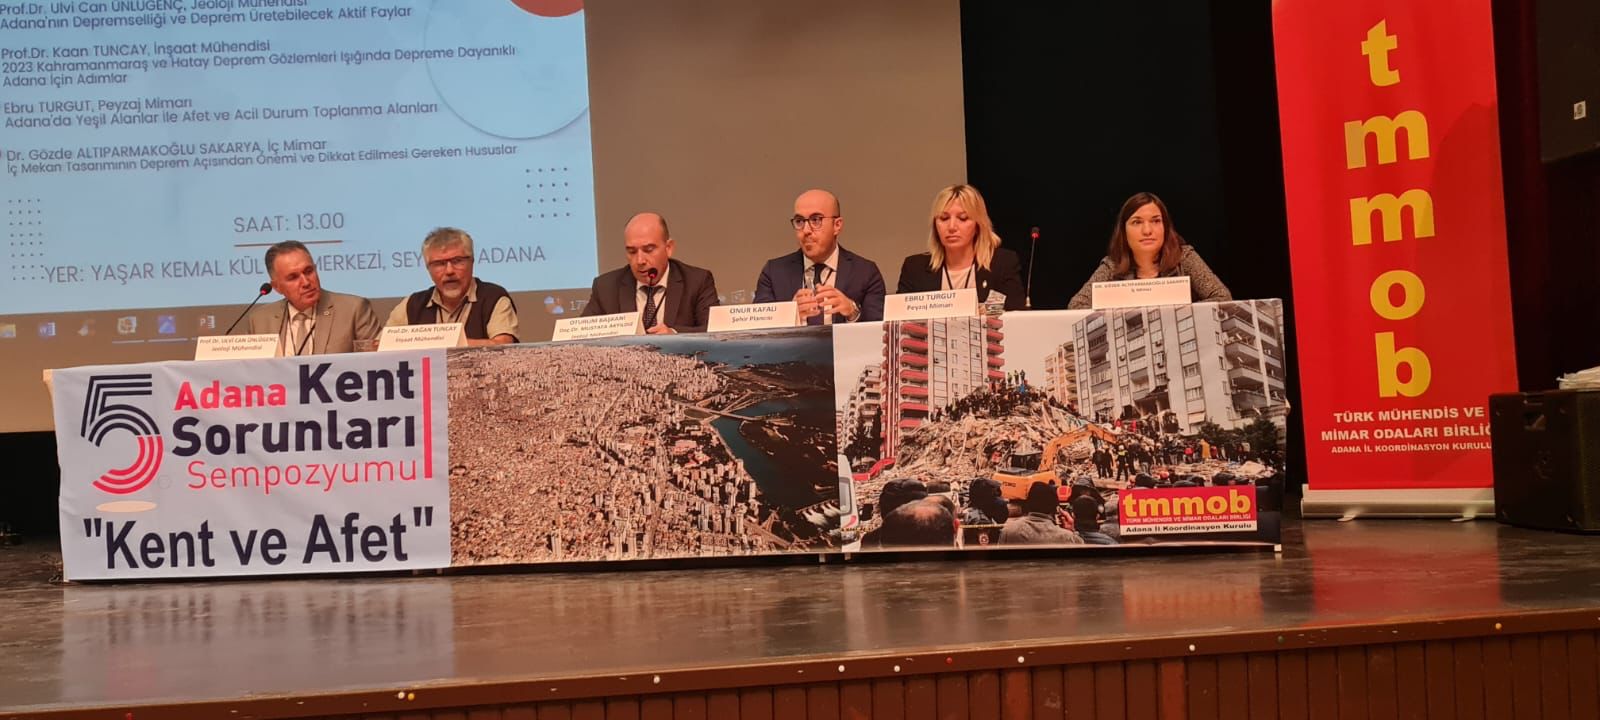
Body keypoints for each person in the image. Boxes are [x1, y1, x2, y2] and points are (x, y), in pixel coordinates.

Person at [1067, 192, 1232, 309]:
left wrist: (1176, 314)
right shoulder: (1113, 265)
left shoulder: (1184, 257)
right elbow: (1077, 306)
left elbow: (1223, 298)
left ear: (1165, 227)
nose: (1147, 230)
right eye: (1137, 222)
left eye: (1155, 221)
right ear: (1123, 231)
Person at [754, 189, 886, 323]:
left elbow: (881, 330)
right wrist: (789, 315)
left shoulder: (865, 272)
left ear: (837, 225)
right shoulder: (774, 273)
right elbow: (758, 329)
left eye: (816, 220)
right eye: (799, 221)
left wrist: (853, 313)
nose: (806, 230)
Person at [582, 212, 719, 334]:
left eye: (648, 250)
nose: (640, 260)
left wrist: (675, 334)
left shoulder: (697, 281)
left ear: (668, 248)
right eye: (632, 252)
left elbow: (716, 331)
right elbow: (582, 334)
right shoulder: (605, 287)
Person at [897, 184, 1027, 311]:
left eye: (963, 218)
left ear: (978, 225)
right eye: (944, 218)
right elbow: (899, 317)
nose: (952, 227)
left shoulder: (1002, 263)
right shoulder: (914, 268)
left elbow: (1016, 316)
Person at [386, 227, 520, 346]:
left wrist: (437, 344)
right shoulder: (412, 305)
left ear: (472, 262)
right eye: (439, 264)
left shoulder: (493, 298)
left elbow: (503, 347)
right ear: (428, 268)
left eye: (457, 261)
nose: (449, 271)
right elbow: (381, 347)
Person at [245, 240, 381, 356]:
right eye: (293, 277)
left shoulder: (353, 310)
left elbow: (377, 363)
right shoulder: (259, 321)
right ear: (277, 287)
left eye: (308, 271)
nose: (306, 282)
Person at [999, 482, 1083, 545]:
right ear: (1055, 510)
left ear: (1028, 505)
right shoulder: (1068, 538)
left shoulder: (1008, 532)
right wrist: (1072, 529)